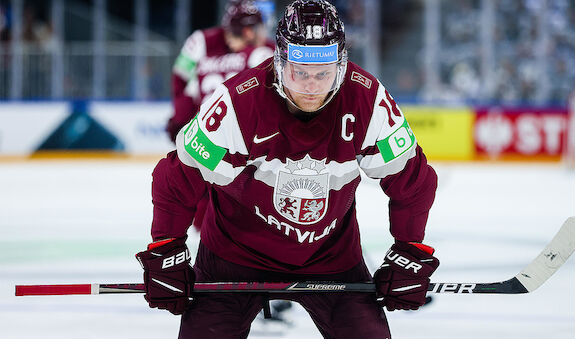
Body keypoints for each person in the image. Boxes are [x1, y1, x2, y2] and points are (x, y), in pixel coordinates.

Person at [136, 0, 440, 337]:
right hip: (232, 257)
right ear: (280, 62)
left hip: (331, 259)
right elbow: (178, 176)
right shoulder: (239, 102)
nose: (311, 86)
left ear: (340, 65)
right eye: (301, 72)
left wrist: (409, 250)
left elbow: (413, 180)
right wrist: (166, 248)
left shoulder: (367, 100)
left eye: (323, 73)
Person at [167, 0, 275, 142]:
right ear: (248, 32)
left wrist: (179, 122)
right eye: (260, 29)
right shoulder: (263, 53)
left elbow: (181, 80)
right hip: (242, 137)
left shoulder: (200, 41)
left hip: (204, 135)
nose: (263, 34)